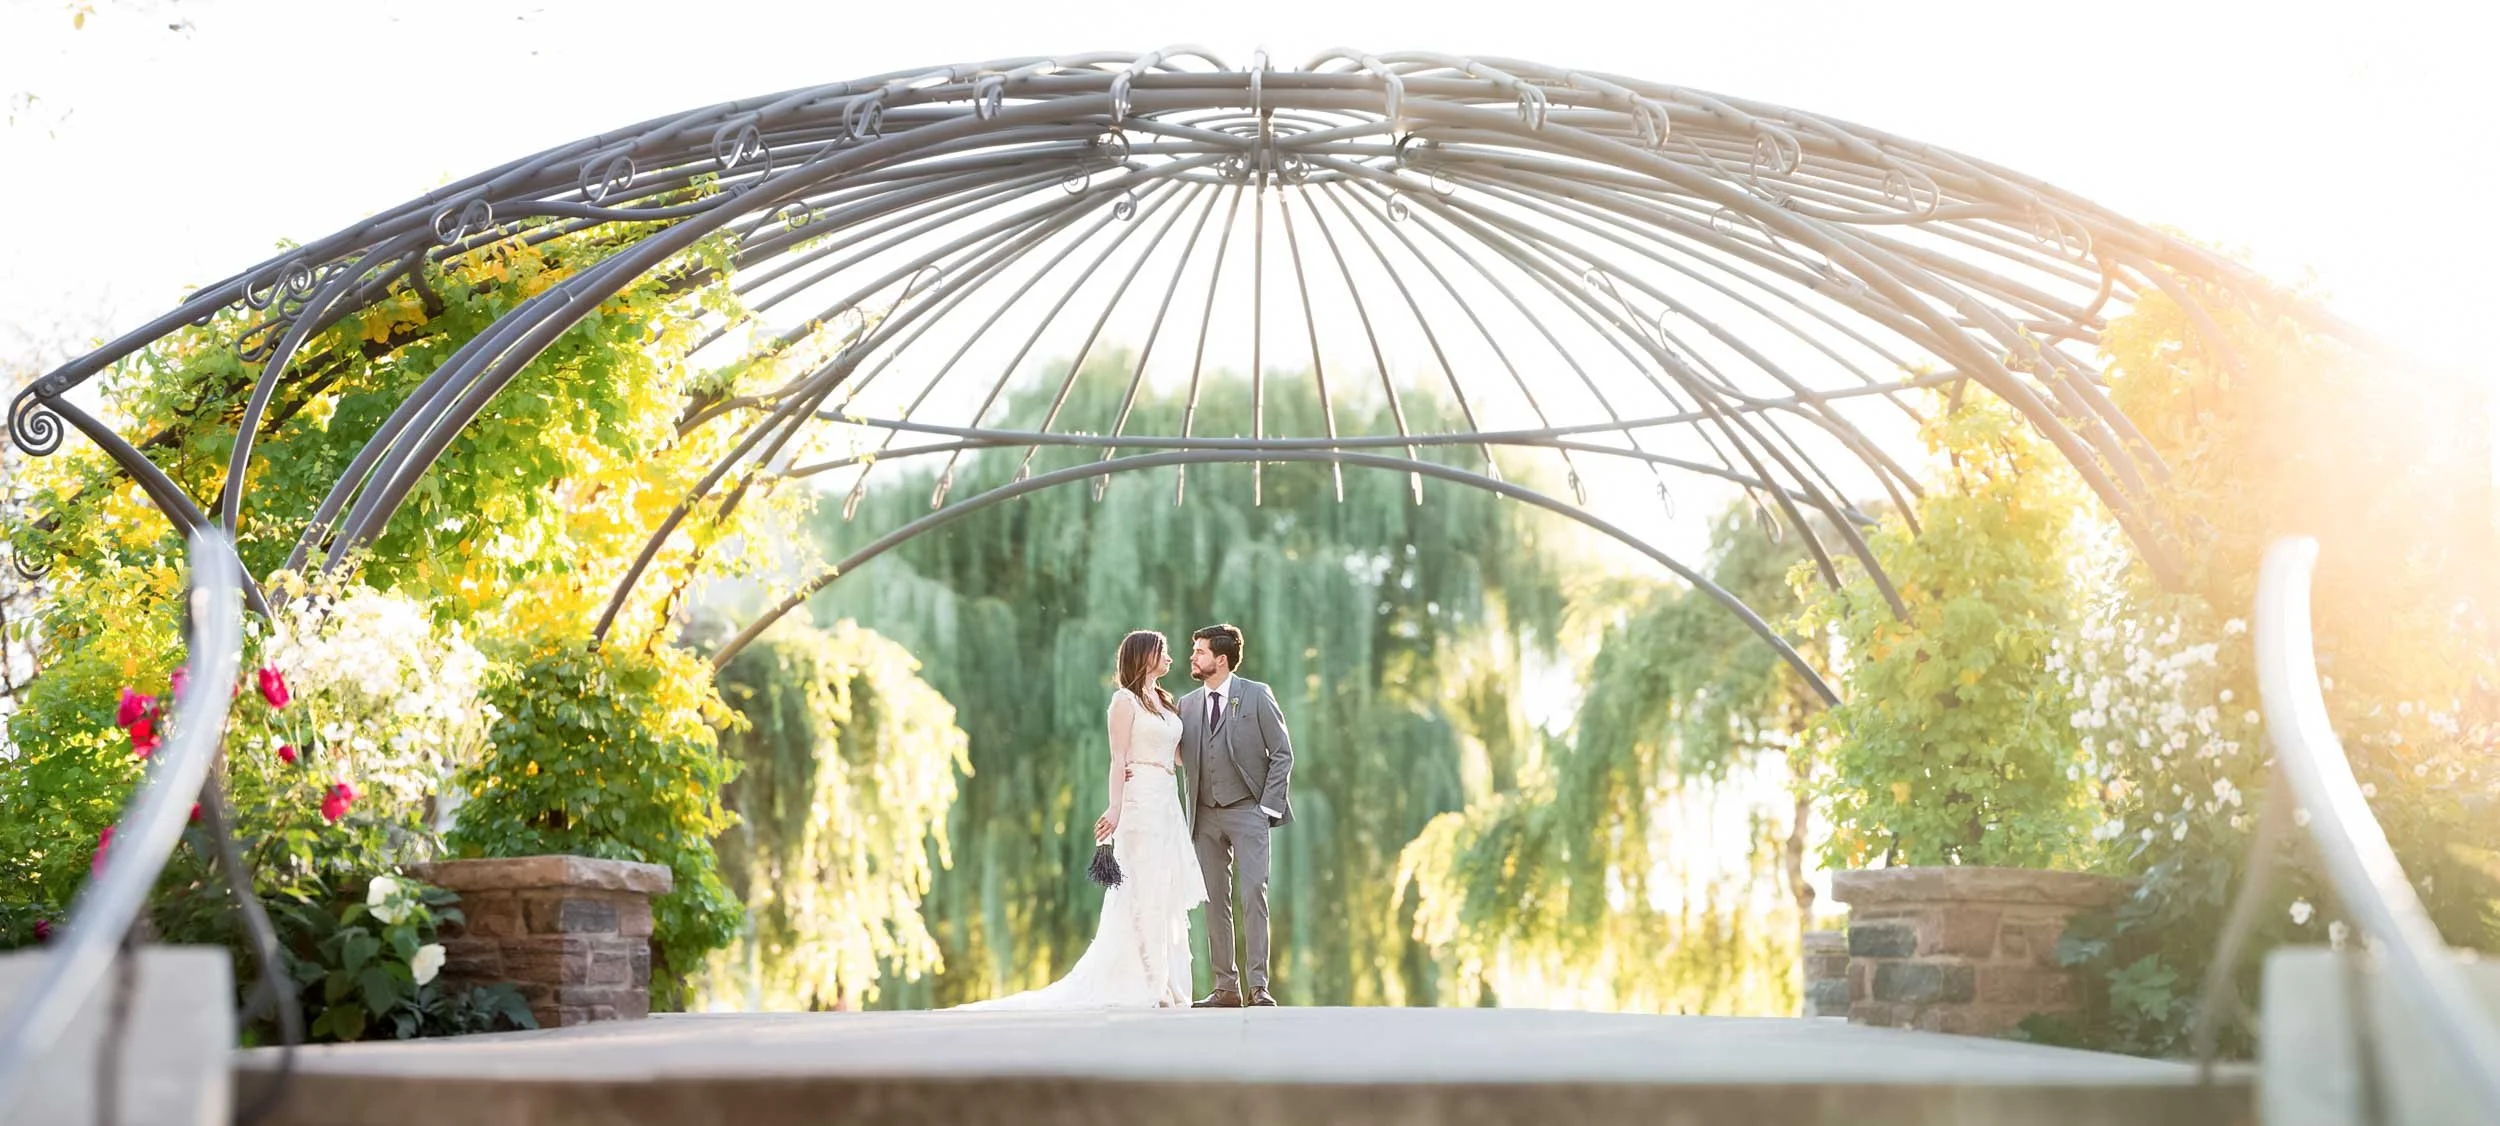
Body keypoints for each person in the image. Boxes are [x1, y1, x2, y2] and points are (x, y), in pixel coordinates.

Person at [955, 631, 1204, 1010]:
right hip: (1139, 805)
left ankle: (1165, 979)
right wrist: (1115, 808)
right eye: (1162, 651)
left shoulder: (1165, 702)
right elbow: (1118, 759)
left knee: (1164, 889)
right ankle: (1153, 982)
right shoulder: (1124, 702)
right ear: (1143, 657)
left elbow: (1178, 754)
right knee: (1142, 890)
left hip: (1167, 800)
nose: (1170, 657)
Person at [1179, 623, 1294, 1008]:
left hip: (1248, 810)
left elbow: (1282, 754)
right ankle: (1225, 987)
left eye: (1199, 651)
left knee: (1253, 894)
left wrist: (1267, 808)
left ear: (1221, 659)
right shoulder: (1187, 704)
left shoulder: (1256, 695)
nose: (1192, 657)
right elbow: (1179, 752)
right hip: (1205, 817)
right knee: (1214, 900)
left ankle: (1258, 985)